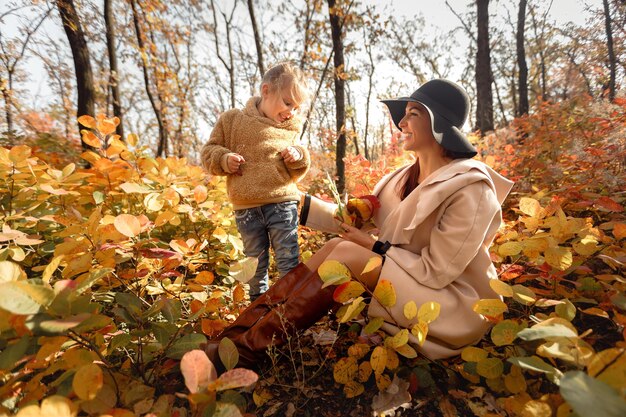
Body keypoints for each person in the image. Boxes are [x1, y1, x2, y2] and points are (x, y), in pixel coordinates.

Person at [204, 79, 514, 370]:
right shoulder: (402, 177)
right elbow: (353, 222)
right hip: (408, 278)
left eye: (412, 114)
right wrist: (290, 198)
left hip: (450, 303)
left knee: (349, 254)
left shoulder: (472, 188)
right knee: (337, 246)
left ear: (437, 123)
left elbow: (437, 272)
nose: (401, 124)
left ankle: (245, 354)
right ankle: (233, 337)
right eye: (403, 115)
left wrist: (374, 246)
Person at [201, 62, 311, 301]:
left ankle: (290, 308)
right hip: (247, 206)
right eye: (287, 102)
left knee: (288, 257)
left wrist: (297, 155)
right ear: (266, 91)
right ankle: (258, 310)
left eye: (297, 106)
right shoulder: (233, 120)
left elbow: (301, 161)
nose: (291, 111)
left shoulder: (291, 126)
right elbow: (209, 150)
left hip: (282, 202)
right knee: (254, 262)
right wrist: (224, 158)